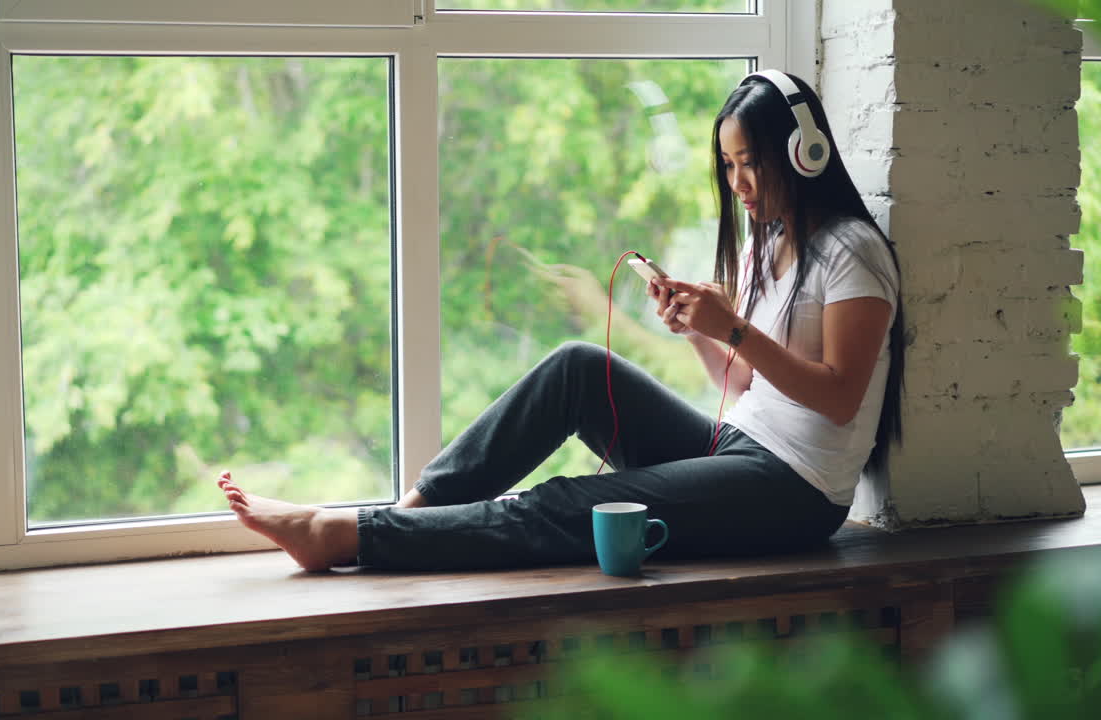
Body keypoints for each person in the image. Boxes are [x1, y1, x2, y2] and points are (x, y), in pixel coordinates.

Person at [216, 70, 905, 573]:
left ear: (802, 153)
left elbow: (840, 397)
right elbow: (745, 381)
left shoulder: (854, 252)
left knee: (573, 504)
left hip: (795, 493)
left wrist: (734, 327)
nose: (738, 185)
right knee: (578, 367)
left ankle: (342, 534)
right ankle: (408, 513)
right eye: (728, 166)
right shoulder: (770, 241)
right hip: (741, 449)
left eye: (750, 164)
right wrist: (699, 327)